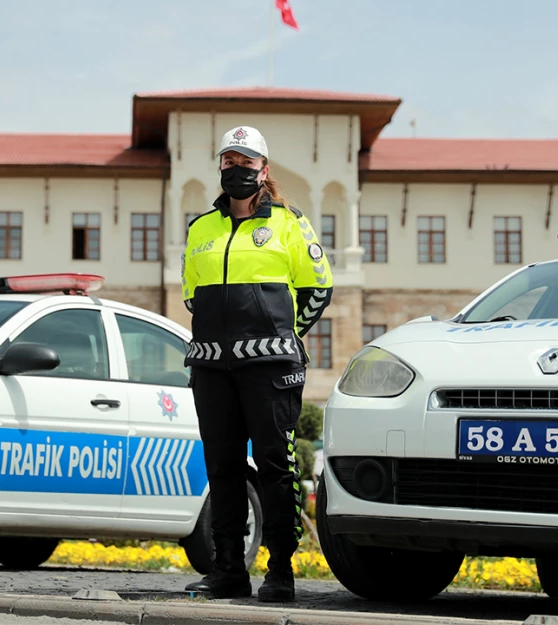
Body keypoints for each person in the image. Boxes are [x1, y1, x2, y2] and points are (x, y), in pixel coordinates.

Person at [181, 125, 333, 603]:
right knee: (221, 467)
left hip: (271, 368)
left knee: (275, 465)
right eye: (229, 161)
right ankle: (228, 569)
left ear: (263, 170)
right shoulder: (200, 229)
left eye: (247, 162)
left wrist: (283, 338)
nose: (237, 169)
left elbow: (319, 289)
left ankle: (280, 570)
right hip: (211, 368)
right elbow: (192, 298)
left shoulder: (290, 223)